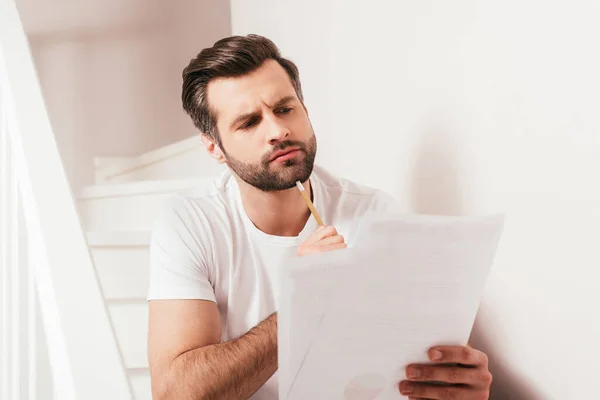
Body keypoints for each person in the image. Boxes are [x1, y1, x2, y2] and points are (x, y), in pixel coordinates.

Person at [146, 34, 493, 400]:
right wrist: (303, 302)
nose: (278, 131)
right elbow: (175, 393)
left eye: (284, 109)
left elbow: (417, 370)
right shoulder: (189, 222)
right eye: (249, 122)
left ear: (305, 110)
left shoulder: (374, 214)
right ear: (214, 147)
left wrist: (456, 386)